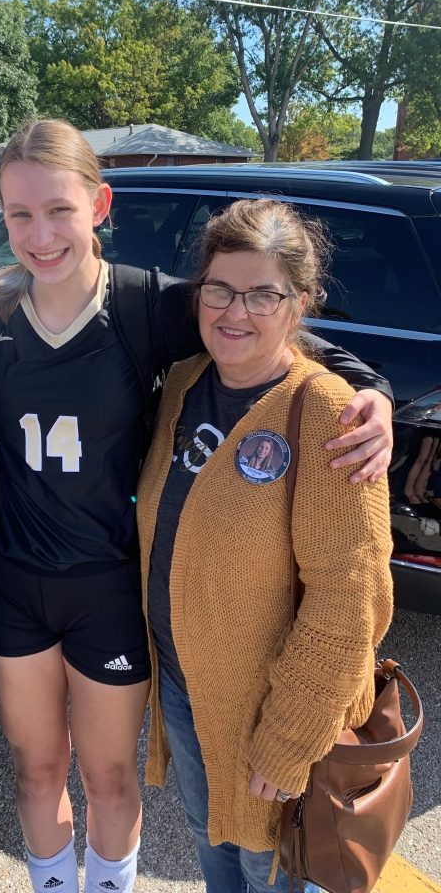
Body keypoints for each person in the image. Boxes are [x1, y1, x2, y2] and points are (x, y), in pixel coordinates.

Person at [0, 119, 394, 893]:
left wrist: (376, 392)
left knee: (109, 776)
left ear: (98, 204)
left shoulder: (145, 305)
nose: (40, 232)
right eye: (19, 214)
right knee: (37, 769)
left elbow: (268, 323)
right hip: (14, 577)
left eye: (58, 209)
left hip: (109, 587)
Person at [137, 198, 394, 893]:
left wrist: (290, 742)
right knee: (214, 848)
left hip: (274, 718)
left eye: (263, 294)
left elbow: (350, 600)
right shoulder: (187, 385)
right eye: (219, 289)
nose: (234, 312)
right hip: (193, 697)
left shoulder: (326, 413)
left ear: (300, 301)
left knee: (270, 872)